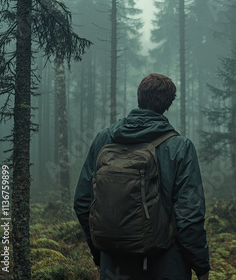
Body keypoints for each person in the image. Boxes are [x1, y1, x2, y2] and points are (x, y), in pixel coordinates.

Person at [74, 73, 210, 280]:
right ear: (168, 105)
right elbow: (189, 216)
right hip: (167, 264)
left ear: (139, 97)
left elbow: (83, 202)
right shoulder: (180, 147)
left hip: (114, 265)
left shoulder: (104, 139)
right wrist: (200, 265)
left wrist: (101, 252)